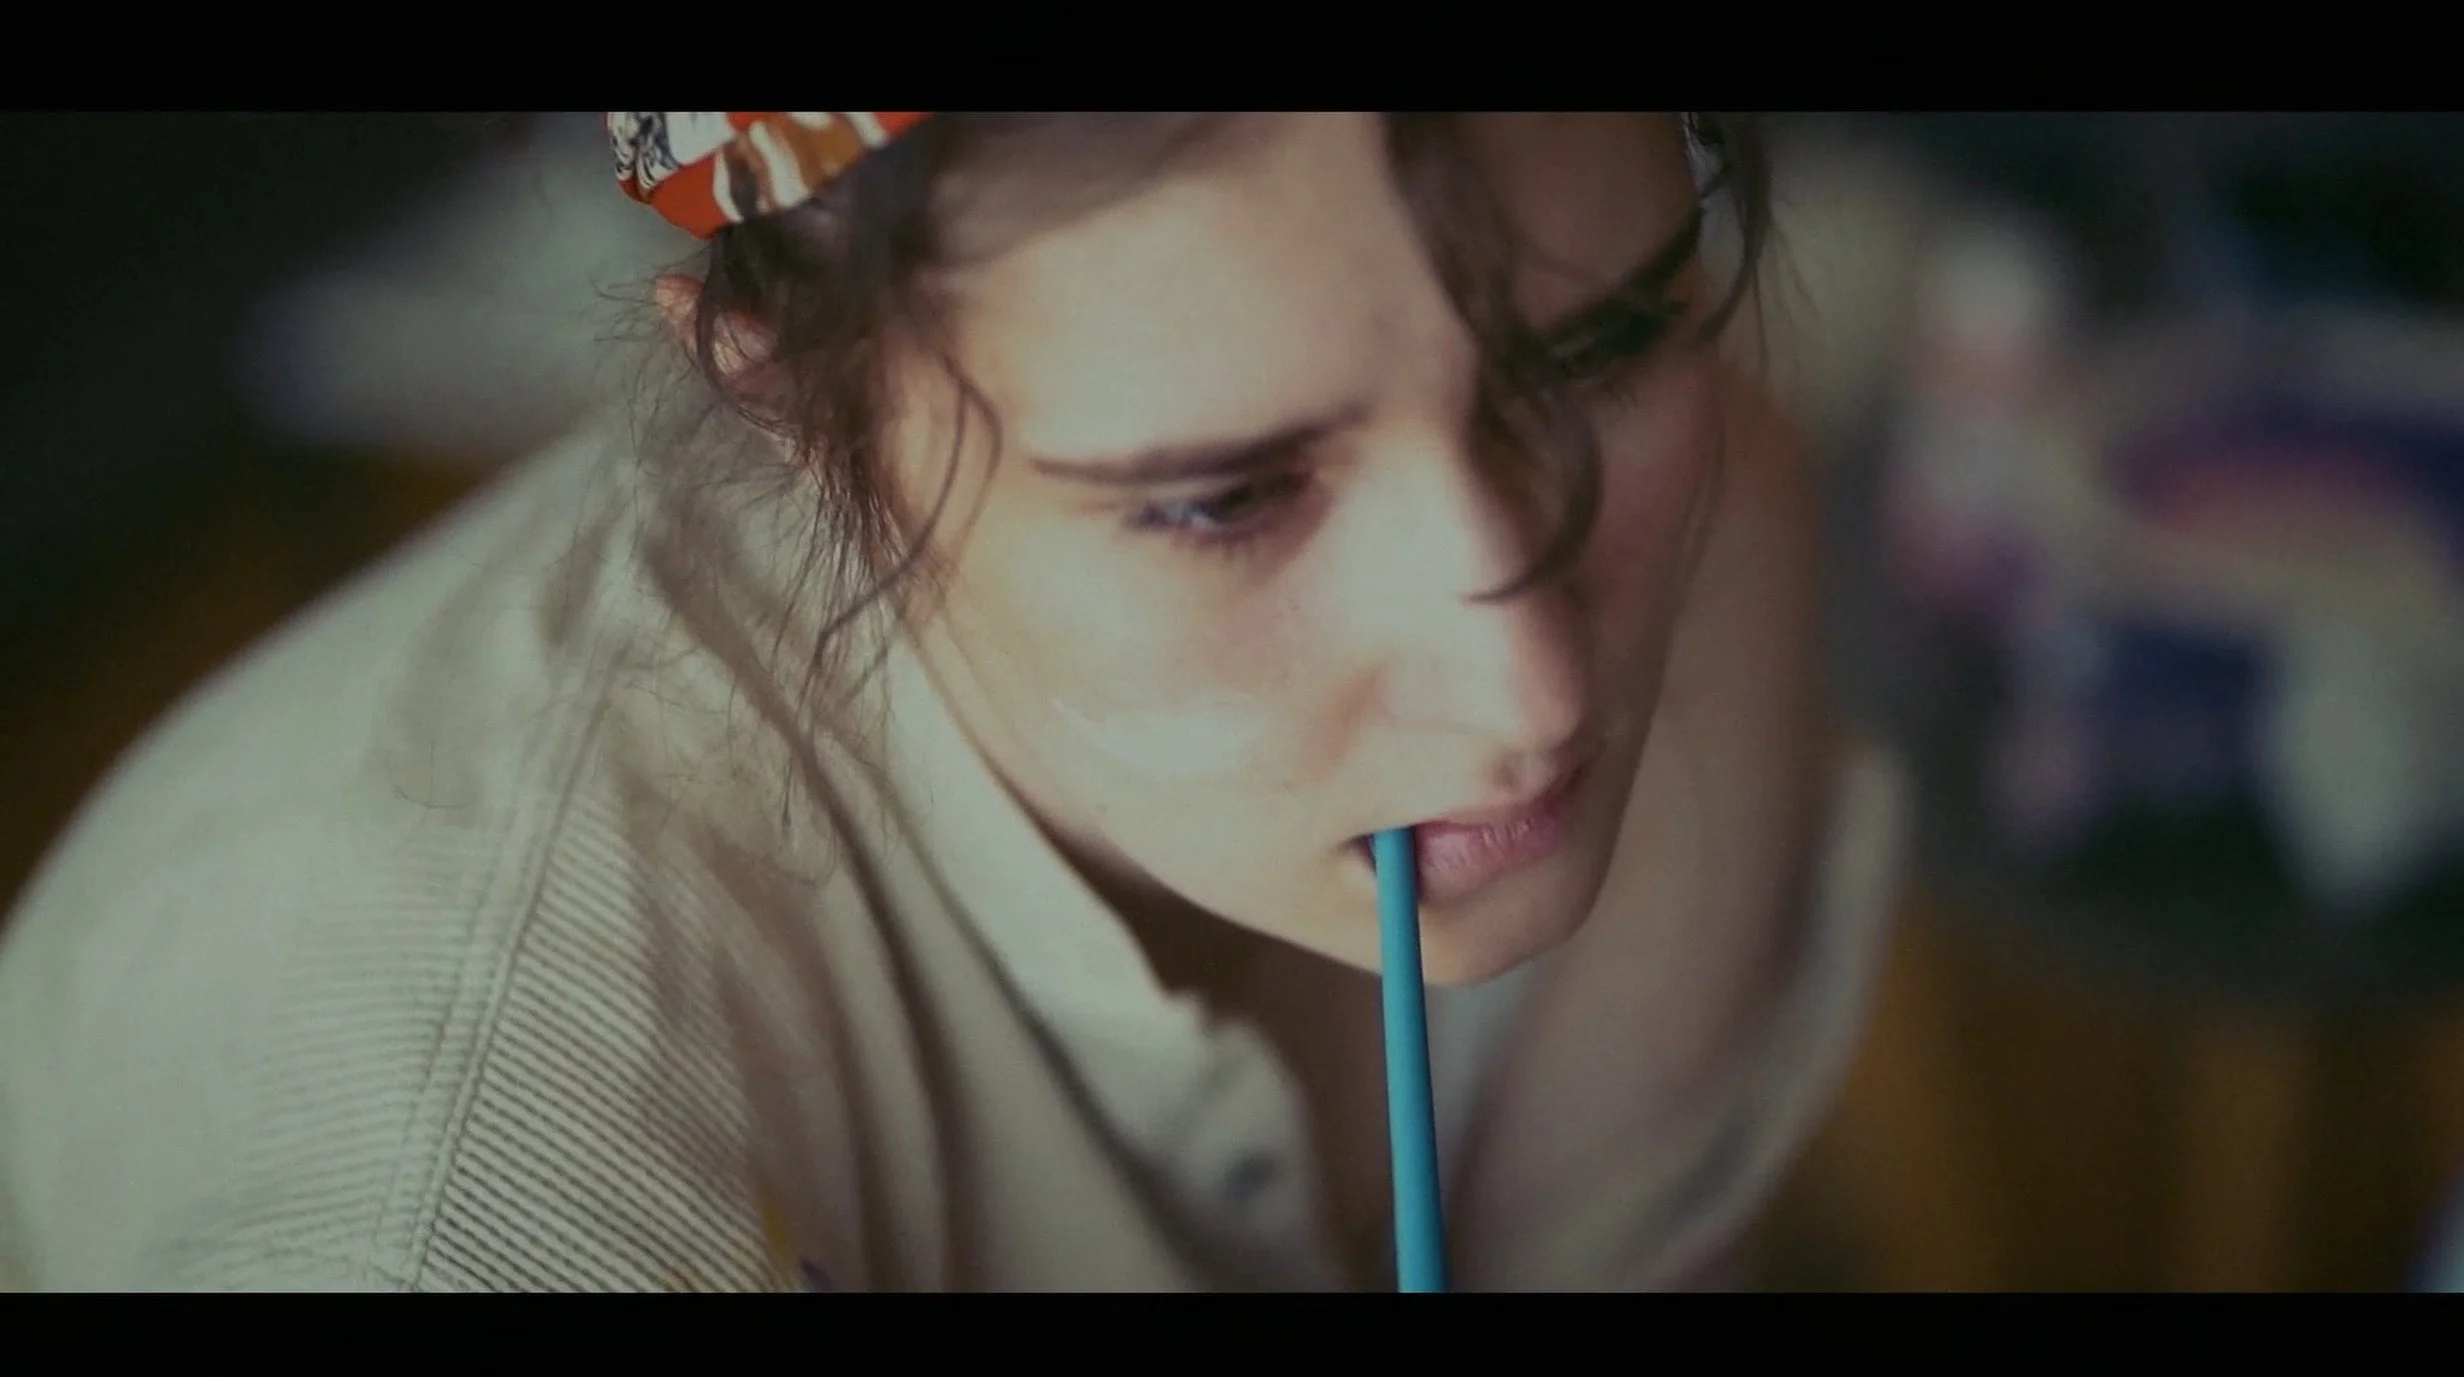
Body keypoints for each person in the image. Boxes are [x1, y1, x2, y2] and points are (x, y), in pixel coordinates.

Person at [0, 112, 1906, 1291]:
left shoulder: (1704, 533)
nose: (1534, 681)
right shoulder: (471, 1188)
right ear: (793, 418)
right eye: (1223, 497)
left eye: (1600, 345)